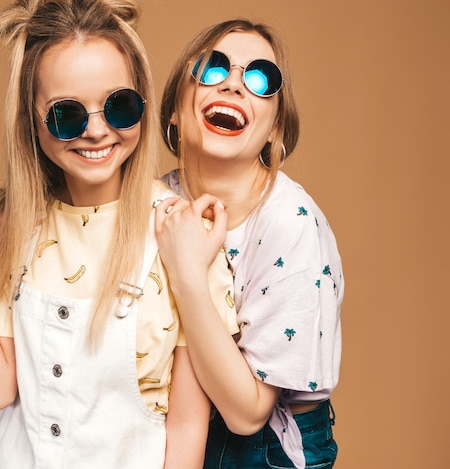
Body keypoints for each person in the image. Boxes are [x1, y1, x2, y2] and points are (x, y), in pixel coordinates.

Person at [0, 1, 238, 467]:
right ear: (31, 123)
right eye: (67, 114)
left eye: (119, 107)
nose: (97, 132)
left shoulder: (183, 235)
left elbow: (186, 426)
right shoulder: (17, 227)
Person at [153, 19, 344, 469]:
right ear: (175, 111)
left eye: (261, 79)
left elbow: (247, 413)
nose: (236, 84)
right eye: (213, 69)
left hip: (266, 447)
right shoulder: (158, 203)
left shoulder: (290, 224)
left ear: (276, 130)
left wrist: (187, 276)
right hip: (177, 429)